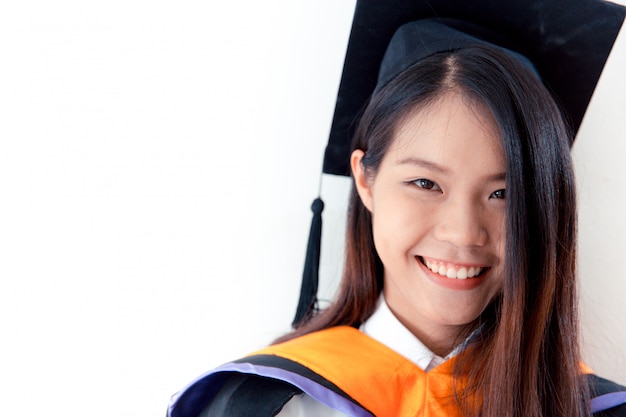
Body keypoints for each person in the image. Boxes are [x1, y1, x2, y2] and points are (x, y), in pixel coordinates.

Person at [168, 13, 626, 417]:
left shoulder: (589, 407)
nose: (463, 232)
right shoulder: (270, 404)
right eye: (426, 183)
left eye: (504, 192)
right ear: (365, 181)